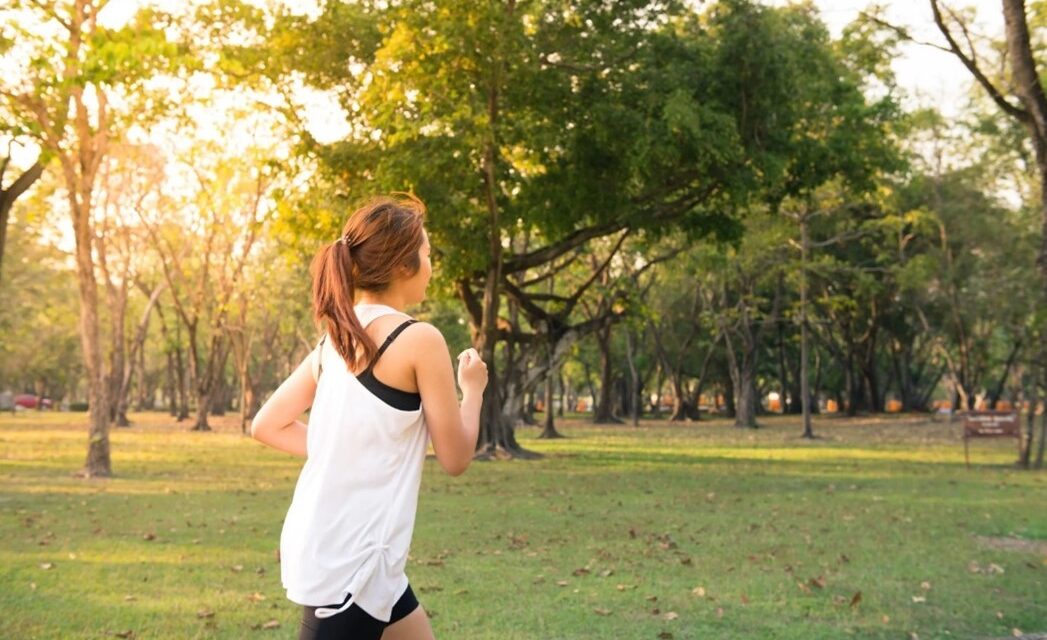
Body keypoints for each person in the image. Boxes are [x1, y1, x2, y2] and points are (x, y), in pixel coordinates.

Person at [250, 194, 488, 640]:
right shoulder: (419, 339)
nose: (431, 265)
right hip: (350, 564)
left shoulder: (334, 341)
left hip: (360, 556)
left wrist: (344, 448)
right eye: (428, 254)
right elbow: (455, 457)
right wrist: (472, 391)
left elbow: (267, 424)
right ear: (403, 265)